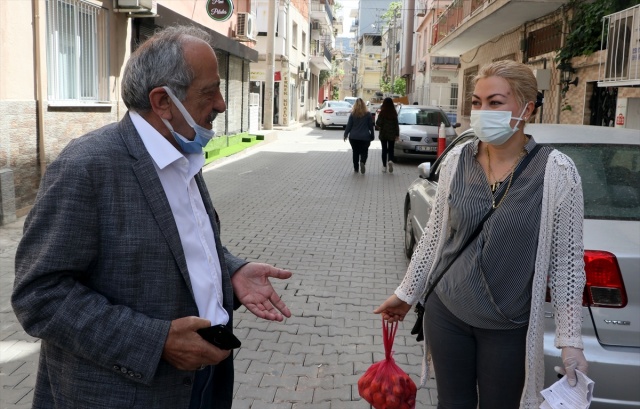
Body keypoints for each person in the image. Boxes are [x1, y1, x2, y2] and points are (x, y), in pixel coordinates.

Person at [11, 26, 292, 409]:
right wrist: (155, 341)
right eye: (209, 92)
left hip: (206, 380)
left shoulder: (184, 155)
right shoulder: (87, 166)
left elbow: (181, 244)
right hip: (125, 393)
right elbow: (39, 296)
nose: (223, 104)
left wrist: (232, 270)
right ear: (163, 102)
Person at [374, 60, 587, 409]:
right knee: (452, 404)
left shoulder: (556, 171)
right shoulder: (458, 158)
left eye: (495, 102)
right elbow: (434, 239)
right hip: (448, 311)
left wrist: (570, 340)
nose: (482, 111)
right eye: (476, 102)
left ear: (527, 108)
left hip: (508, 326)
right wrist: (406, 293)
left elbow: (567, 265)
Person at [344, 97, 375, 174]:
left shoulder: (353, 114)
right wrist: (372, 135)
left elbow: (349, 125)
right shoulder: (368, 114)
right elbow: (371, 126)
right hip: (365, 137)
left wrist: (345, 134)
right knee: (364, 151)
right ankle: (363, 162)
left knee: (355, 152)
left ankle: (356, 168)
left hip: (354, 137)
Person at [375, 97, 400, 173]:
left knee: (384, 150)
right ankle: (390, 160)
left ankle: (384, 166)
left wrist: (381, 126)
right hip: (392, 134)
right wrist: (397, 134)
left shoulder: (382, 113)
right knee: (391, 149)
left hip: (383, 134)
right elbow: (396, 124)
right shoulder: (394, 113)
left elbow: (378, 123)